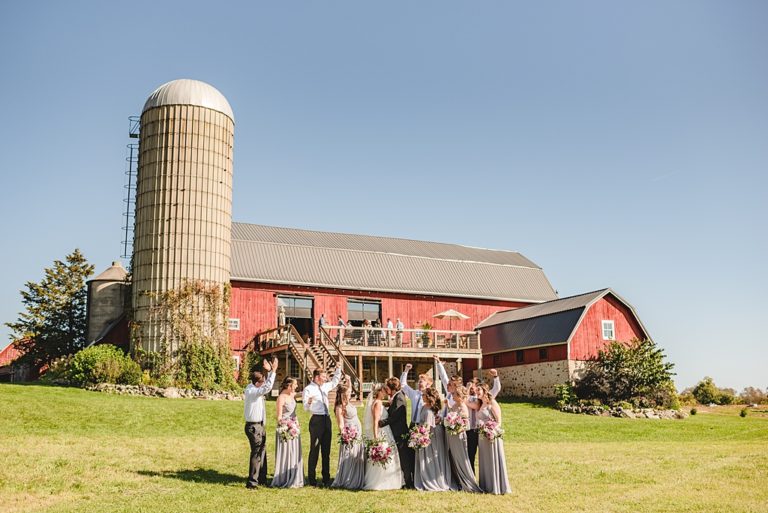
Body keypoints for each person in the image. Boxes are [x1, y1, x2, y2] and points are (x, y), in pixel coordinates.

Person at [302, 366, 343, 486]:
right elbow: (305, 407)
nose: (325, 379)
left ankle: (326, 478)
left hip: (327, 419)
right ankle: (312, 479)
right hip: (316, 420)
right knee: (314, 449)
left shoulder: (325, 386)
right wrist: (309, 403)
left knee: (326, 450)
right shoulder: (308, 389)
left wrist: (338, 370)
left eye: (325, 377)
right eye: (323, 377)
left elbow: (335, 382)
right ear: (316, 377)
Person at [467, 383, 511, 494]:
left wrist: (490, 430)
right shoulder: (480, 404)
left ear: (485, 391)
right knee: (485, 460)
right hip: (482, 437)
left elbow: (499, 422)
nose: (476, 392)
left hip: (491, 436)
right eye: (475, 390)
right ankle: (486, 485)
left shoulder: (492, 403)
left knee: (492, 459)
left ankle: (497, 485)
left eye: (478, 390)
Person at [243, 356, 277, 489]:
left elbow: (266, 385)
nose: (264, 383)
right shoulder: (252, 391)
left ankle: (262, 479)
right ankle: (252, 482)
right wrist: (273, 371)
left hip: (260, 425)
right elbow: (267, 388)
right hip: (253, 426)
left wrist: (268, 372)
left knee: (262, 452)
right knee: (256, 453)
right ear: (257, 383)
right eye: (262, 382)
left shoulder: (255, 388)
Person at [363, 384, 404, 490]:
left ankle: (389, 480)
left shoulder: (379, 402)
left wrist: (388, 403)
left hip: (387, 431)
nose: (386, 392)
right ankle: (382, 481)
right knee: (385, 453)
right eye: (384, 391)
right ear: (379, 392)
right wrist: (377, 438)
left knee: (390, 454)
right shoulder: (377, 403)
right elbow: (376, 421)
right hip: (382, 432)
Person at [443, 385, 483, 493]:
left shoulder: (463, 407)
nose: (453, 395)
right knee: (453, 458)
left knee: (461, 459)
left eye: (455, 394)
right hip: (452, 436)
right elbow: (451, 412)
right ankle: (457, 481)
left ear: (460, 396)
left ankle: (467, 482)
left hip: (459, 436)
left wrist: (456, 427)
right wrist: (447, 406)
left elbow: (466, 425)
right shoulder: (455, 405)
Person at [378, 377, 413, 488]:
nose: (386, 389)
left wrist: (382, 423)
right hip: (397, 432)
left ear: (391, 388)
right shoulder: (396, 397)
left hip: (400, 432)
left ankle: (408, 482)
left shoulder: (399, 398)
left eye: (387, 387)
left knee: (404, 458)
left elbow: (395, 416)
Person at [414, 387, 450, 491]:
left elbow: (427, 427)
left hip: (431, 435)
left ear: (429, 397)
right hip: (424, 432)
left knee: (431, 456)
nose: (422, 396)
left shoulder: (430, 410)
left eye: (424, 394)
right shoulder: (424, 406)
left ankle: (431, 478)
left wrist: (420, 437)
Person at [331, 380, 365, 489]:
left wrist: (349, 380)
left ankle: (357, 477)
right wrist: (346, 435)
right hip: (351, 434)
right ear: (343, 395)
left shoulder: (348, 403)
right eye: (348, 393)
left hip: (358, 433)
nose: (350, 394)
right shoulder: (339, 407)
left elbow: (349, 387)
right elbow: (340, 424)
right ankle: (347, 479)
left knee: (357, 455)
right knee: (349, 456)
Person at [466, 369, 501, 473]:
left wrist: (495, 377)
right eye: (472, 385)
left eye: (475, 385)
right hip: (473, 431)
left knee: (487, 456)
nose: (474, 388)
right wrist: (467, 389)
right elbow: (463, 399)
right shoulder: (476, 401)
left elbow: (497, 389)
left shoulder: (487, 399)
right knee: (471, 454)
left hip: (485, 432)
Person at [272, 377, 304, 488]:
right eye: (295, 384)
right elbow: (279, 417)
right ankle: (284, 477)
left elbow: (303, 394)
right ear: (289, 385)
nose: (296, 386)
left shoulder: (292, 395)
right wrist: (286, 426)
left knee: (294, 452)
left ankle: (294, 475)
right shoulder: (281, 397)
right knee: (286, 453)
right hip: (285, 429)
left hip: (294, 427)